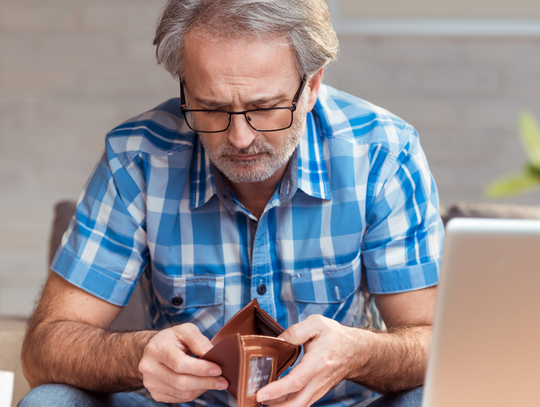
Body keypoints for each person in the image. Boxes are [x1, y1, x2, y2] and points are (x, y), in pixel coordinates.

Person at [19, 1, 444, 406]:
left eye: (264, 107)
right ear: (185, 89)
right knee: (50, 401)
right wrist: (139, 354)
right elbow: (45, 349)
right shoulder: (137, 160)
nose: (240, 138)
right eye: (212, 108)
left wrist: (358, 352)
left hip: (343, 405)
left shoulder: (382, 155)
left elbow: (437, 340)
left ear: (311, 86)